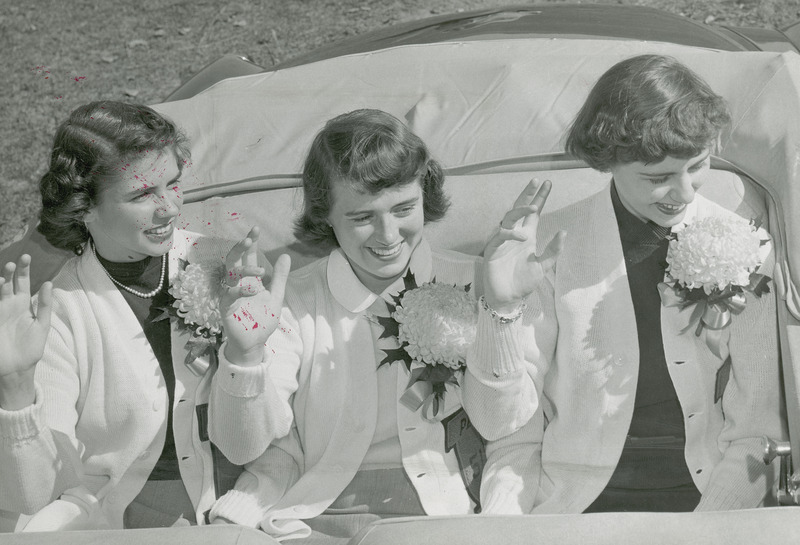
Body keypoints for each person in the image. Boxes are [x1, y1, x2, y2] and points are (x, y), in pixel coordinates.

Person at [204, 109, 558, 543]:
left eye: (404, 208)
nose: (388, 235)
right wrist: (244, 354)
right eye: (361, 217)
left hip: (445, 520)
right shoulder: (290, 302)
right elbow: (245, 450)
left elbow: (510, 435)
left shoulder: (487, 280)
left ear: (426, 197)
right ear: (325, 216)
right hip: (311, 518)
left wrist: (501, 310)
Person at [462, 54, 787, 514]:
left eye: (698, 165)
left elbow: (758, 430)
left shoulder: (748, 247)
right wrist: (499, 309)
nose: (687, 192)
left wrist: (709, 529)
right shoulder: (547, 250)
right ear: (608, 161)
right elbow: (500, 427)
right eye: (659, 178)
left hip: (708, 498)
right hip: (571, 503)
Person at [0, 101, 289, 531]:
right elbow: (32, 494)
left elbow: (250, 449)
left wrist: (245, 356)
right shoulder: (58, 310)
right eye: (141, 194)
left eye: (172, 184)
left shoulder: (226, 265)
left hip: (245, 498)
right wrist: (16, 389)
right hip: (121, 517)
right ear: (85, 206)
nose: (169, 208)